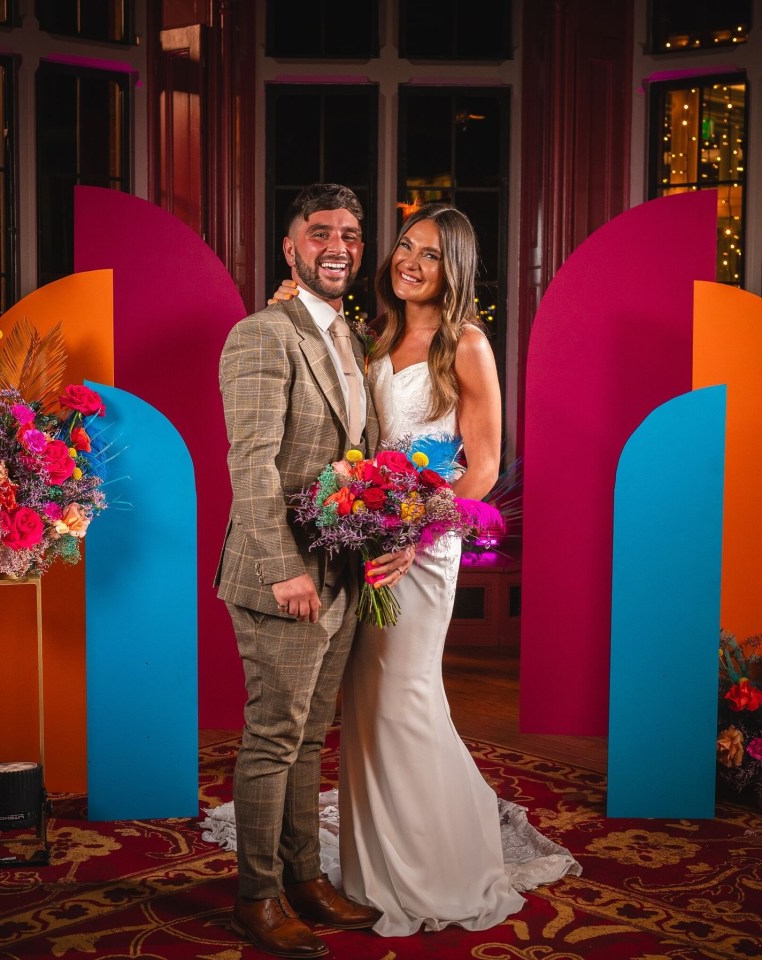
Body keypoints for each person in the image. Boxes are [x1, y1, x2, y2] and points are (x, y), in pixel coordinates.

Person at [268, 202, 581, 936]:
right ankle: (377, 863)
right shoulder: (375, 333)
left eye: (431, 254)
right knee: (366, 706)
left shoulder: (465, 342)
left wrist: (415, 530)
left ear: (456, 268)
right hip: (363, 540)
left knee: (405, 699)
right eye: (406, 245)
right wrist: (292, 300)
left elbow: (486, 464)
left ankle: (441, 865)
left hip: (421, 546)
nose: (410, 260)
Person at [215, 183, 413, 959]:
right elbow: (253, 464)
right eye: (320, 231)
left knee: (306, 742)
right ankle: (256, 898)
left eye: (353, 234)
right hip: (283, 576)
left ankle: (303, 879)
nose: (340, 244)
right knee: (272, 738)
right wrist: (282, 570)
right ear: (290, 246)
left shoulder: (348, 335)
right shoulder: (262, 333)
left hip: (340, 569)